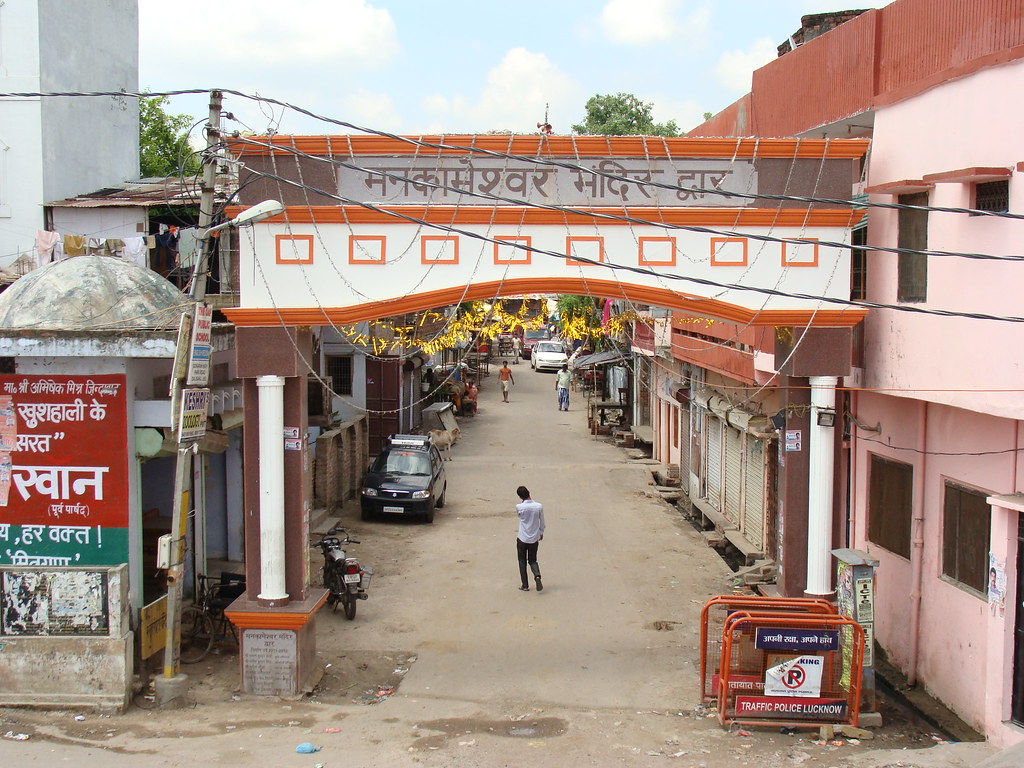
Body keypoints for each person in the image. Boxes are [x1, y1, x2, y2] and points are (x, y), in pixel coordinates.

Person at [515, 485, 545, 592]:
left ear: (520, 497)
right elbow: (542, 521)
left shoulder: (519, 507)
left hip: (522, 538)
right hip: (534, 538)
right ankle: (537, 575)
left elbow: (520, 516)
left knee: (522, 561)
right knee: (532, 560)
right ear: (529, 492)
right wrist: (541, 532)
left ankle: (525, 585)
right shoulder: (539, 506)